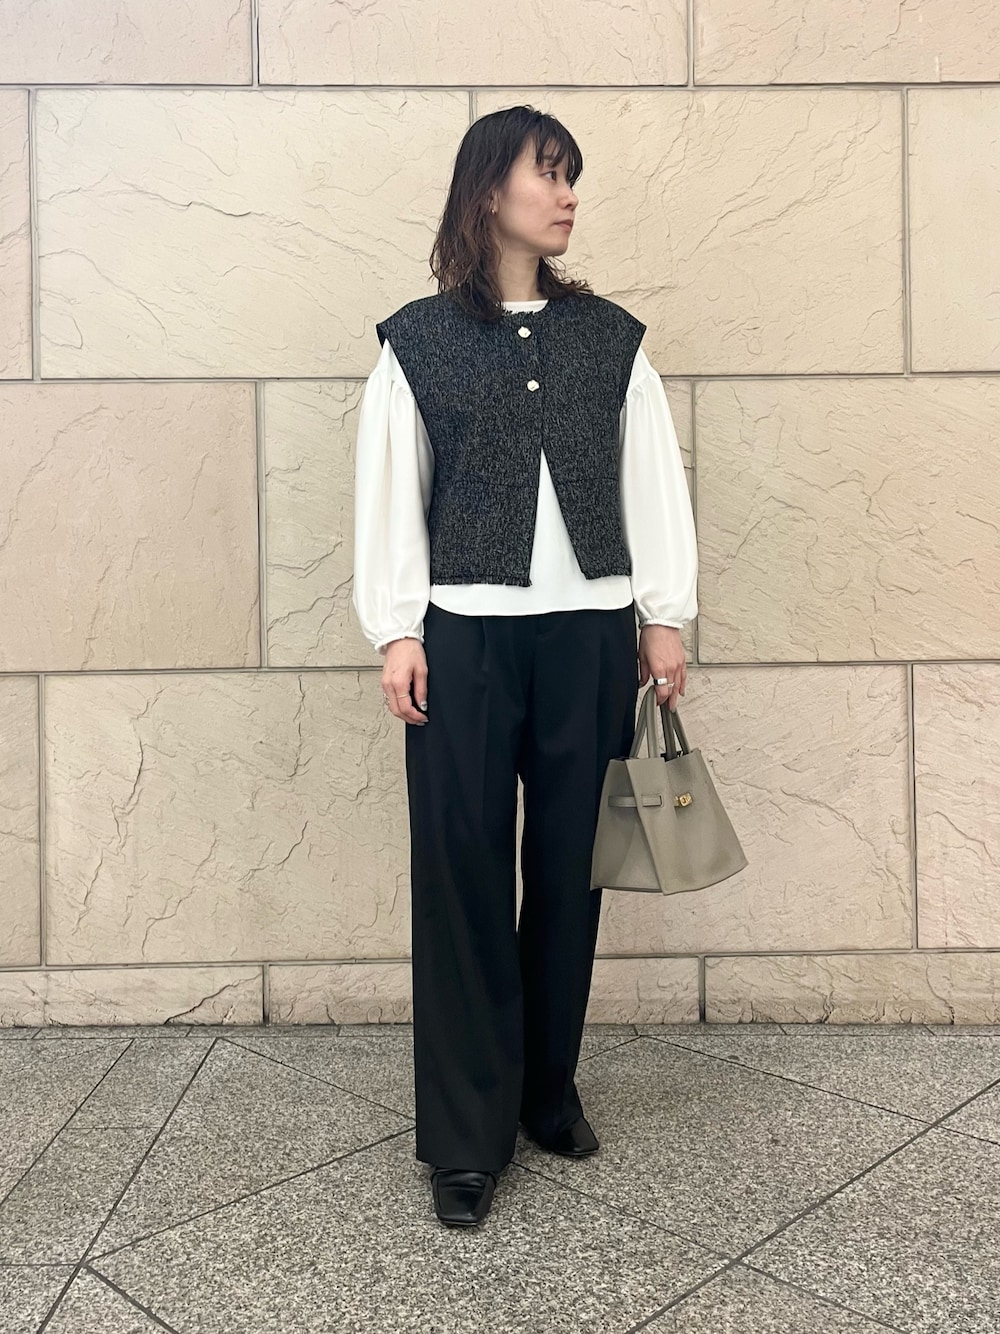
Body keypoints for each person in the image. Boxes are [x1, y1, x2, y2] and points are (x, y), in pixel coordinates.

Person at [351, 105, 697, 1228]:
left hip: (589, 635)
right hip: (462, 637)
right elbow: (390, 490)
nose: (567, 195)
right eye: (547, 175)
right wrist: (398, 628)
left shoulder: (612, 341)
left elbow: (652, 480)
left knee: (566, 871)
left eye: (571, 177)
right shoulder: (418, 340)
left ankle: (546, 1090)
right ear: (487, 190)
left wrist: (663, 617)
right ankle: (466, 1136)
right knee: (459, 875)